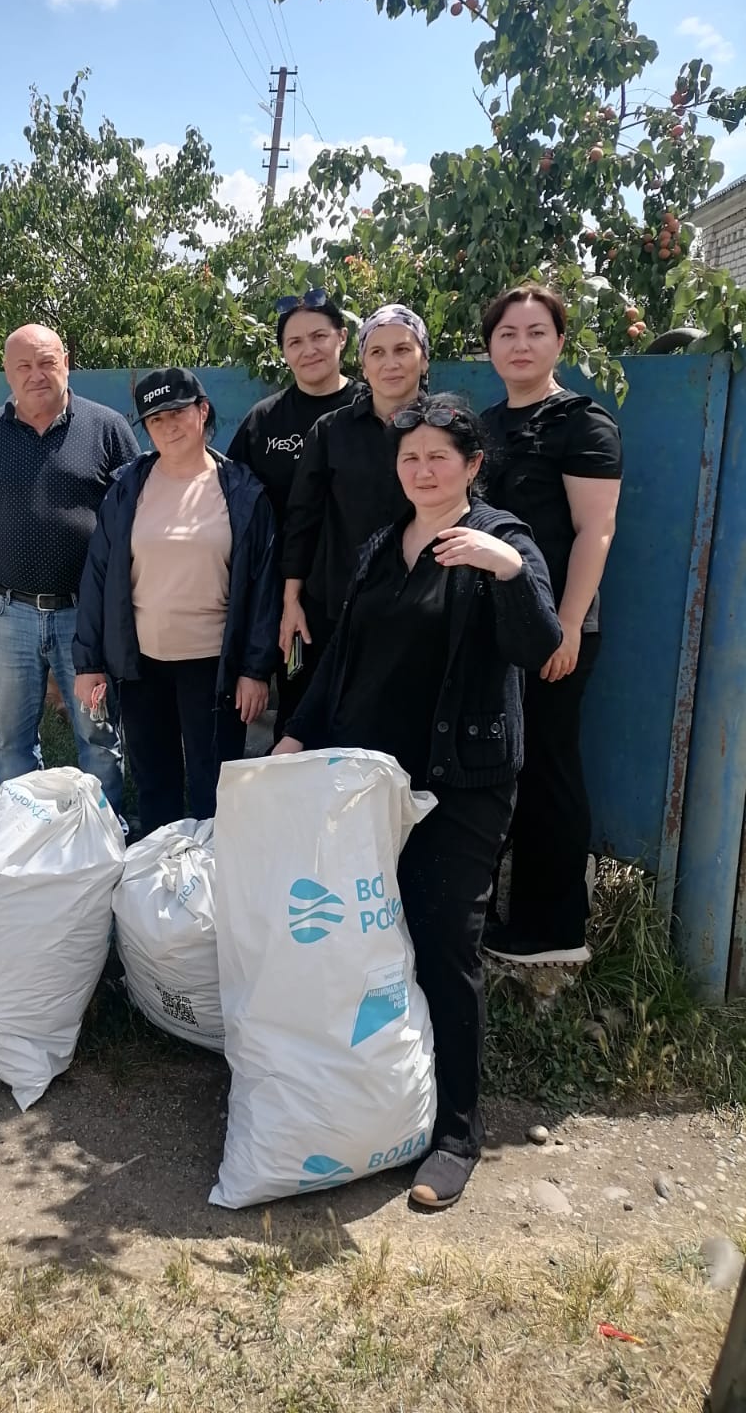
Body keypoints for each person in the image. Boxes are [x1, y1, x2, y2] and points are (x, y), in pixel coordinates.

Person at [274, 394, 561, 1210]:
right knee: (374, 936)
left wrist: (504, 573)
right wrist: (296, 736)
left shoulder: (502, 540)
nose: (423, 470)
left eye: (440, 456)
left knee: (443, 943)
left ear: (473, 465)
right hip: (372, 784)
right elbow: (340, 661)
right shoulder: (381, 547)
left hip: (461, 783)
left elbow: (537, 647)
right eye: (410, 458)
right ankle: (388, 1098)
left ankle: (458, 1134)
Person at [478, 285, 623, 967]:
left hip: (555, 631)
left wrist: (566, 627)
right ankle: (492, 915)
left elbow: (596, 530)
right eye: (507, 334)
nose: (521, 345)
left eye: (536, 332)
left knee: (549, 769)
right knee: (502, 766)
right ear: (490, 347)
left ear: (559, 343)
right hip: (493, 627)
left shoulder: (581, 423)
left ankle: (555, 927)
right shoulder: (483, 426)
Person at [74, 368, 278, 835]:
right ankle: (159, 883)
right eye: (154, 418)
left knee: (216, 785)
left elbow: (264, 587)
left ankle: (212, 883)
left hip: (214, 667)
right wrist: (89, 662)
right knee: (154, 781)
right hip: (141, 663)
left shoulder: (243, 492)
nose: (168, 425)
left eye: (178, 412)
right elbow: (99, 575)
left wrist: (255, 670)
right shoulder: (128, 487)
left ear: (202, 412)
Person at [0, 324, 139, 808]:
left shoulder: (107, 428)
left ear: (66, 361)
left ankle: (104, 839)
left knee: (98, 738)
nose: (36, 375)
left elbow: (138, 516)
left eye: (47, 362)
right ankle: (20, 839)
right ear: (7, 373)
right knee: (11, 741)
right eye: (23, 366)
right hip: (10, 614)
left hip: (87, 619)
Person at [280, 303, 429, 696]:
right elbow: (302, 520)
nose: (390, 363)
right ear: (363, 364)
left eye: (403, 350)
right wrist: (291, 601)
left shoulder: (446, 428)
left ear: (423, 358)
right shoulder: (331, 431)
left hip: (422, 609)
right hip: (335, 608)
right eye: (377, 353)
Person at [226, 287, 357, 733]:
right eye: (294, 342)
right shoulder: (265, 421)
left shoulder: (368, 411)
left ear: (341, 338)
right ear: (283, 353)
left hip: (361, 592)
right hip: (291, 605)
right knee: (298, 697)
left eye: (318, 336)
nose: (308, 350)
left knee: (361, 704)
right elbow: (232, 502)